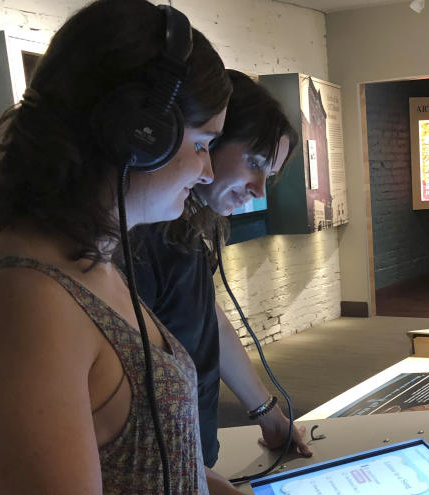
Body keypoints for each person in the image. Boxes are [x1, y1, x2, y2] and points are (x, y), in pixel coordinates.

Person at [0, 1, 322, 495]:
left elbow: (146, 457)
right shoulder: (20, 302)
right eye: (202, 145)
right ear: (136, 137)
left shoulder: (91, 262)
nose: (206, 168)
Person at [128, 70, 309, 468]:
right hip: (163, 476)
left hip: (192, 464)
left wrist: (267, 414)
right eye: (253, 163)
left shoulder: (184, 228)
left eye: (270, 174)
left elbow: (206, 316)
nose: (260, 189)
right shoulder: (138, 242)